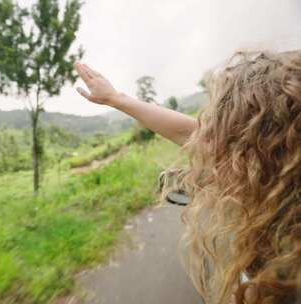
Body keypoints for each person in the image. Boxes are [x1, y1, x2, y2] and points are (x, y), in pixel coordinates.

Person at [74, 51, 300, 304]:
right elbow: (189, 132)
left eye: (223, 134)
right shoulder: (276, 190)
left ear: (263, 158)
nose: (205, 145)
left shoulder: (284, 261)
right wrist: (116, 99)